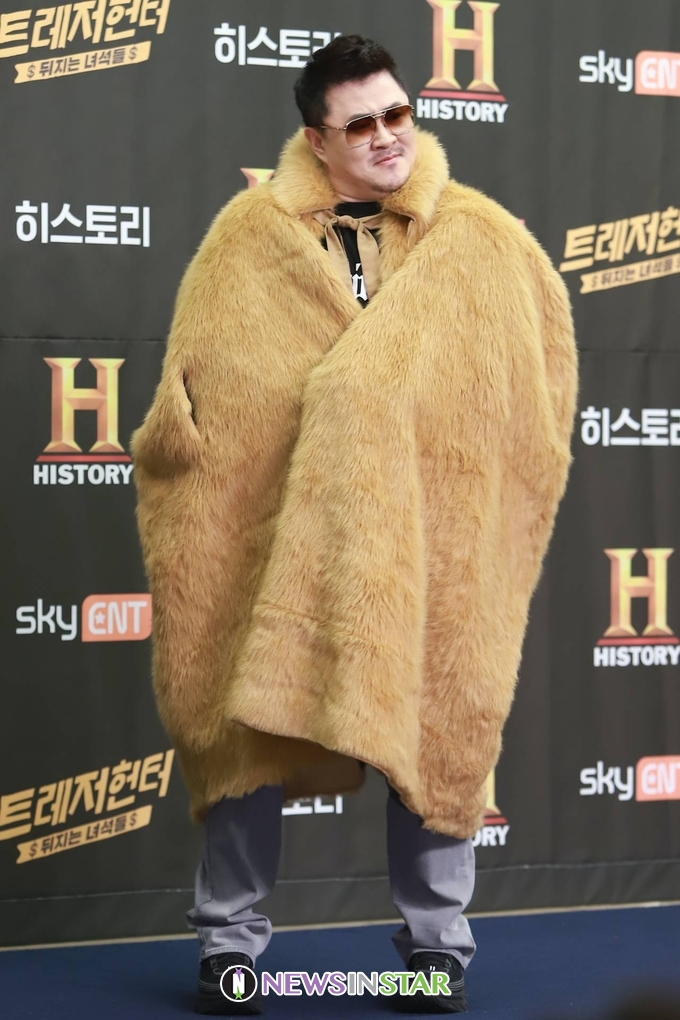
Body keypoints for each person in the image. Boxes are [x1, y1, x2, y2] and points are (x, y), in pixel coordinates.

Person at [131, 35, 577, 1016]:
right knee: (245, 726)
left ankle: (435, 950)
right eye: (361, 123)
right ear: (316, 140)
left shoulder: (479, 239)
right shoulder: (248, 242)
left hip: (428, 531)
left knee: (438, 729)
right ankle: (230, 946)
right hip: (279, 528)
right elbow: (200, 401)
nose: (386, 136)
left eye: (397, 114)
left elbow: (530, 391)